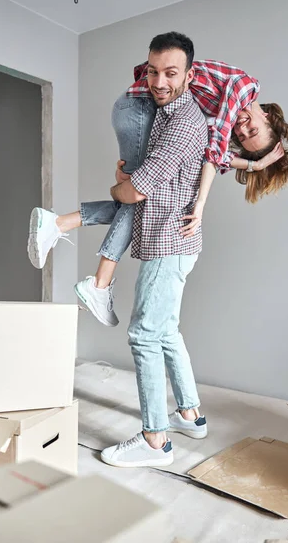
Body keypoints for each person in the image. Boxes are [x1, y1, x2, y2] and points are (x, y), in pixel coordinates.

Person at [27, 35, 288, 327]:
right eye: (252, 128)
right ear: (268, 116)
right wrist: (201, 203)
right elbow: (216, 146)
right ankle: (98, 283)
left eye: (244, 137)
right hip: (140, 109)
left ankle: (59, 226)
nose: (242, 129)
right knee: (139, 196)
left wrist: (254, 163)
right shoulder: (246, 88)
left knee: (141, 196)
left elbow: (210, 154)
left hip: (136, 108)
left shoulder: (223, 112)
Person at [98, 32, 208, 467]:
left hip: (169, 243)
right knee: (165, 332)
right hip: (172, 240)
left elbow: (137, 190)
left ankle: (155, 441)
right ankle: (191, 414)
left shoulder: (182, 122)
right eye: (153, 71)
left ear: (189, 74)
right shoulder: (164, 112)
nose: (159, 81)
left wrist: (119, 184)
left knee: (145, 334)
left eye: (170, 73)